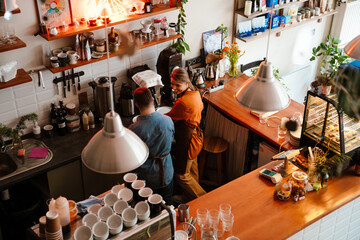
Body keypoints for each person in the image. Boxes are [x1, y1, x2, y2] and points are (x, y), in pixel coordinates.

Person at [165, 67, 206, 202]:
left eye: (177, 85)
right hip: (197, 138)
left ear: (186, 83)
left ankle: (203, 198)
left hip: (189, 142)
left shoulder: (183, 102)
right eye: (172, 84)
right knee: (192, 170)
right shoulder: (195, 94)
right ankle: (188, 197)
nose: (174, 87)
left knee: (182, 175)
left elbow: (168, 118)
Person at [129, 87, 175, 205]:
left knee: (149, 209)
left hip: (147, 177)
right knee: (168, 205)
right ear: (153, 100)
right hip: (166, 172)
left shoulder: (134, 129)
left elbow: (132, 157)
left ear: (136, 105)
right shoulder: (168, 121)